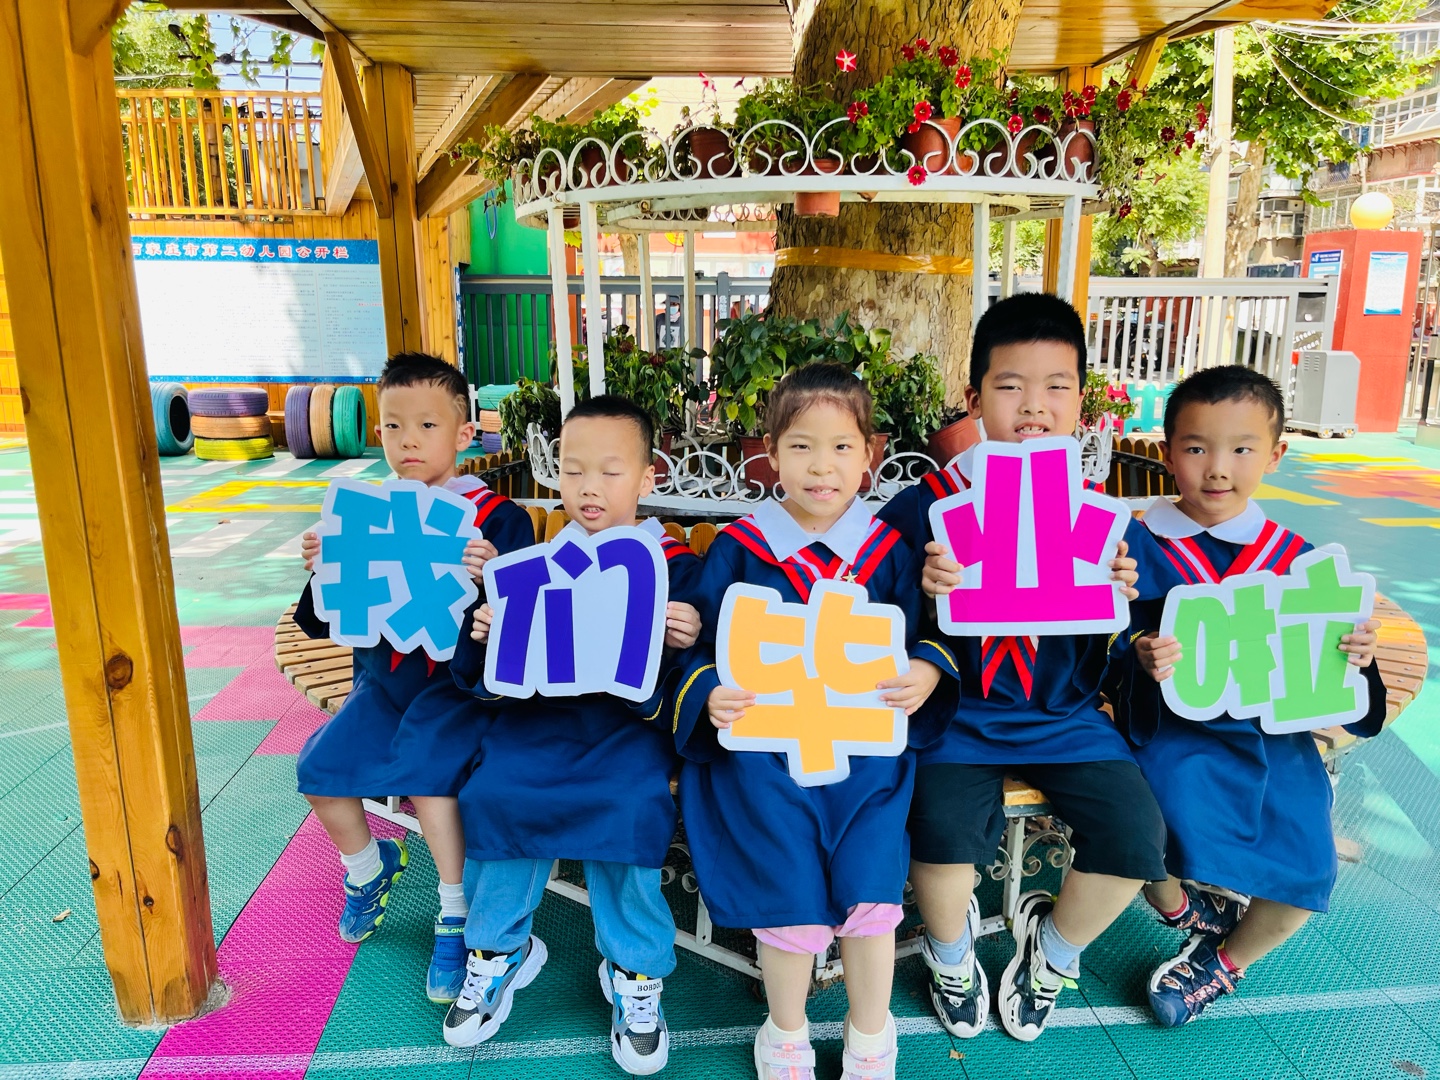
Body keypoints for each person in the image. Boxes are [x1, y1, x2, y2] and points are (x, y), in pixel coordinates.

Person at [876, 292, 1164, 1043]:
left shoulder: (1100, 512)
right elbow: (869, 609)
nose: (1034, 406)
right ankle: (950, 955)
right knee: (937, 834)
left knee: (1136, 838)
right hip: (959, 715)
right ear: (975, 399)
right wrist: (921, 593)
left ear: (1081, 400)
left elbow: (1151, 624)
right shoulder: (926, 506)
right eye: (1010, 386)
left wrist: (1129, 601)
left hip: (1065, 715)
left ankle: (1053, 953)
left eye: (1056, 386)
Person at [672, 363, 948, 1080]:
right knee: (787, 891)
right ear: (769, 453)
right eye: (800, 446)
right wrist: (707, 689)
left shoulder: (889, 552)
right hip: (766, 756)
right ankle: (786, 1031)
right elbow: (700, 644)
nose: (821, 467)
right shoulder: (740, 547)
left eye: (841, 447)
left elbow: (929, 635)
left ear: (870, 455)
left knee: (870, 892)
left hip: (866, 758)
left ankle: (870, 1033)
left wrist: (925, 670)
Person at [1111, 365, 1385, 1026]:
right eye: (1196, 447)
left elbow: (1358, 705)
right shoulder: (1130, 548)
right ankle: (1181, 906)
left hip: (1273, 736)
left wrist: (1360, 659)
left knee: (1309, 863)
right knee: (1134, 819)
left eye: (1242, 448)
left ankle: (1224, 962)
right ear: (1167, 452)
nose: (1217, 468)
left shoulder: (1299, 560)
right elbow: (1101, 647)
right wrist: (1137, 650)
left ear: (1275, 453)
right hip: (1174, 731)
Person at [444, 395, 704, 1076]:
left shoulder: (674, 567)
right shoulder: (533, 561)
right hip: (535, 727)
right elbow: (483, 674)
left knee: (630, 807)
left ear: (647, 478)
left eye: (610, 471)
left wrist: (688, 635)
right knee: (497, 794)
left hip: (628, 732)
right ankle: (498, 951)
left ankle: (634, 971)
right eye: (573, 469)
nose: (590, 487)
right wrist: (485, 634)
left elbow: (706, 664)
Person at [292, 353, 536, 1003]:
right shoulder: (364, 515)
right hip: (382, 684)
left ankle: (454, 912)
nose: (408, 441)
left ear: (463, 434)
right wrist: (321, 568)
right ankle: (367, 868)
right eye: (394, 427)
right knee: (318, 770)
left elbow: (523, 627)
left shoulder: (495, 518)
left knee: (430, 779)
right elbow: (320, 620)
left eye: (427, 425)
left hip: (455, 690)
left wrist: (493, 576)